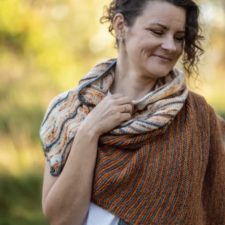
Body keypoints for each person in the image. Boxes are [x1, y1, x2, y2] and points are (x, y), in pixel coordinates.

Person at [39, 0, 225, 224]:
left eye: (178, 37)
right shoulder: (69, 111)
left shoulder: (199, 117)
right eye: (158, 31)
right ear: (120, 26)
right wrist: (90, 131)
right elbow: (62, 219)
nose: (171, 46)